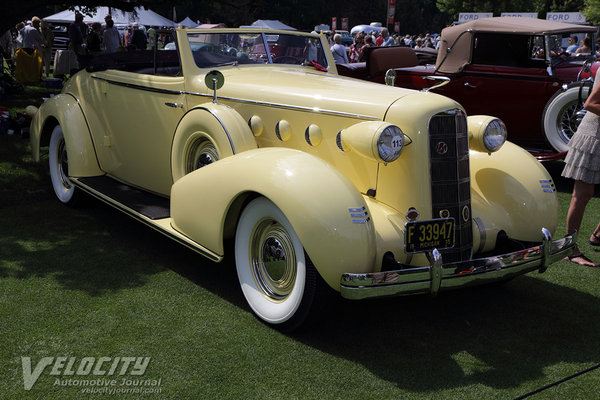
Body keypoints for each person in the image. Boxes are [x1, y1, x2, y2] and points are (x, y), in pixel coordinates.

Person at [562, 78, 600, 267]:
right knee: (583, 194)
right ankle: (570, 250)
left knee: (583, 194)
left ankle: (599, 235)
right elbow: (590, 104)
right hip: (594, 136)